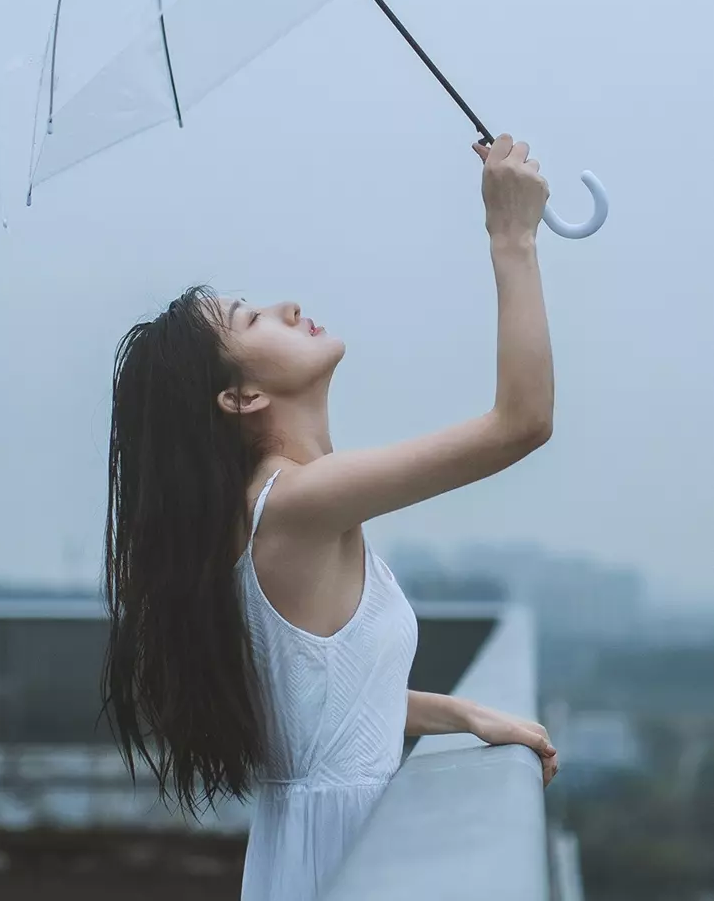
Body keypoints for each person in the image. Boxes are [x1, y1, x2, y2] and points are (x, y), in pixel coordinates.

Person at [100, 135, 560, 901]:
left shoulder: (283, 506)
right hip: (341, 854)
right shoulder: (297, 505)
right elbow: (521, 423)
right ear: (241, 399)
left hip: (324, 846)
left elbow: (324, 706)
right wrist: (510, 236)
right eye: (254, 320)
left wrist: (462, 713)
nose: (287, 306)